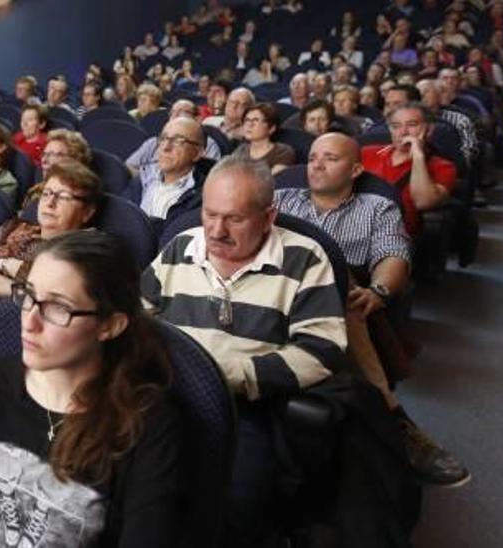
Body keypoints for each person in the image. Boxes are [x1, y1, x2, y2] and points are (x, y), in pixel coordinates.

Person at [0, 230, 183, 547]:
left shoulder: (145, 424)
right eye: (29, 295)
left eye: (57, 308)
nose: (29, 321)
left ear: (109, 325)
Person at [142, 155, 348, 546]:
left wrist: (224, 376)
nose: (216, 231)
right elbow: (135, 318)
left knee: (235, 509)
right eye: (209, 213)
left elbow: (322, 351)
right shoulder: (181, 245)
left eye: (234, 219)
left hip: (245, 408)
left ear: (269, 216)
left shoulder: (303, 258)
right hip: (161, 397)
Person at [275, 133, 469, 486]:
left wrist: (378, 290)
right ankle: (392, 414)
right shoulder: (280, 198)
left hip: (339, 301)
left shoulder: (376, 207)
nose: (316, 163)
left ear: (356, 169)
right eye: (314, 156)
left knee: (339, 283)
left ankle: (393, 419)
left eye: (330, 158)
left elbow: (393, 253)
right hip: (273, 289)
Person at [0, 159, 102, 319]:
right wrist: (16, 287)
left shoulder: (83, 255)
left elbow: (46, 302)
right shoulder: (13, 227)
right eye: (47, 193)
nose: (50, 203)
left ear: (87, 212)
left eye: (64, 197)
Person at [361, 103, 456, 236]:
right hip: (356, 225)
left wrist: (418, 156)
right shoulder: (366, 153)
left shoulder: (443, 166)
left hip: (395, 235)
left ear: (429, 129)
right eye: (396, 126)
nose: (403, 132)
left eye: (412, 125)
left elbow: (423, 202)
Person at [124, 118, 208, 221]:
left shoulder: (204, 197)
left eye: (178, 140)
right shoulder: (142, 179)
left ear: (197, 153)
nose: (165, 147)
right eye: (163, 138)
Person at [233, 103, 296, 173]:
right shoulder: (241, 150)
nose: (249, 124)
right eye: (247, 120)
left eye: (255, 120)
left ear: (271, 128)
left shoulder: (282, 152)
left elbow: (273, 180)